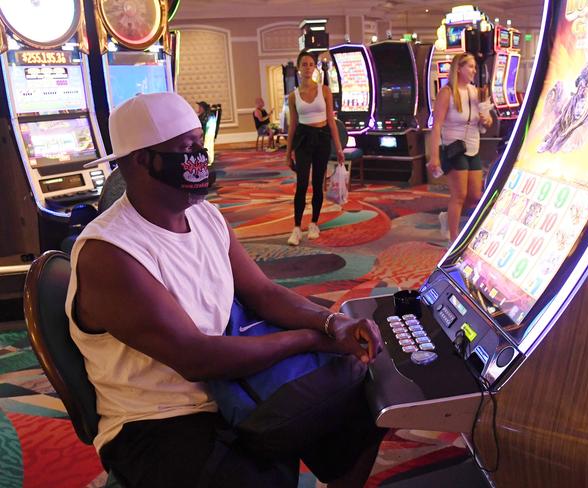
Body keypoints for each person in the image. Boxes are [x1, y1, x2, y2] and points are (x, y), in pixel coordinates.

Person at [65, 92, 384, 488]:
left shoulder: (204, 214)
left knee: (367, 396)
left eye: (200, 144)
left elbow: (262, 293)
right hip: (158, 418)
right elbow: (197, 358)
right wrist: (309, 340)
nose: (199, 156)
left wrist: (331, 322)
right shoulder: (109, 253)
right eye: (185, 148)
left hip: (229, 384)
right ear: (142, 160)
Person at [427, 52, 493, 242]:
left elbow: (487, 121)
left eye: (474, 67)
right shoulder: (447, 92)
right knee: (459, 195)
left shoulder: (476, 92)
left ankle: (447, 218)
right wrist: (434, 156)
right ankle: (453, 239)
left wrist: (485, 119)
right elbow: (437, 124)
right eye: (470, 67)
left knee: (474, 196)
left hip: (473, 146)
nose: (473, 70)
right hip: (454, 147)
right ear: (459, 69)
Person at [285, 50, 345, 246]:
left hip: (321, 138)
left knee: (318, 183)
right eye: (304, 64)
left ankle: (313, 223)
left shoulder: (324, 90)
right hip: (303, 139)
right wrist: (288, 153)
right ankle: (296, 227)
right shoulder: (293, 96)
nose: (308, 68)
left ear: (315, 68)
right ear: (299, 68)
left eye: (311, 64)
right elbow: (292, 125)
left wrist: (338, 148)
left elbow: (331, 121)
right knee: (302, 184)